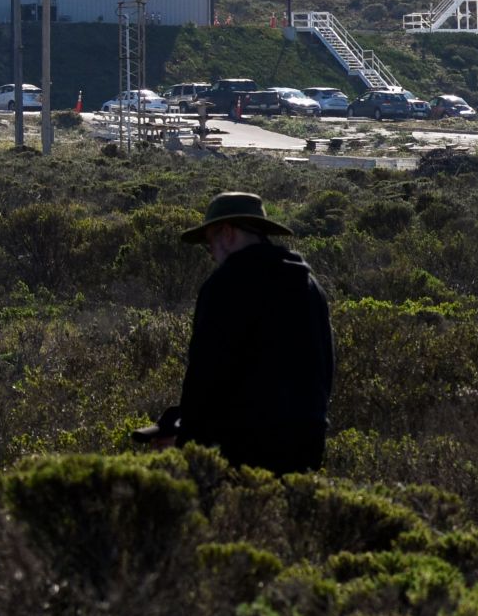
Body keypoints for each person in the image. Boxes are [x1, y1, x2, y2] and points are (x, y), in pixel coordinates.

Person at [136, 192, 335, 473]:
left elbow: (205, 376)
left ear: (227, 233)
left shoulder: (226, 285)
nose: (212, 255)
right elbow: (325, 369)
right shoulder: (309, 284)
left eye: (209, 245)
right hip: (307, 444)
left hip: (245, 448)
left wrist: (190, 448)